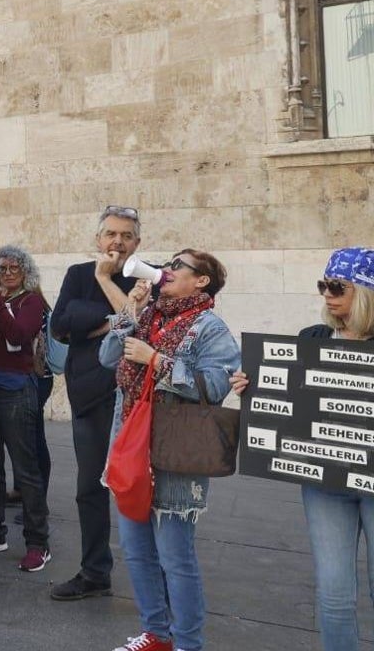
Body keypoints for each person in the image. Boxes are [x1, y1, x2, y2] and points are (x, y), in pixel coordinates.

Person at [230, 247, 374, 651]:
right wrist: (251, 384)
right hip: (325, 482)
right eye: (323, 285)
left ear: (366, 292)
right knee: (334, 595)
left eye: (337, 286)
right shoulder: (313, 338)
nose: (327, 294)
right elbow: (289, 395)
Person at [100, 249, 240, 651]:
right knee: (137, 550)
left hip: (176, 455)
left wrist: (157, 360)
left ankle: (188, 643)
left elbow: (215, 386)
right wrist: (130, 311)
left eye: (179, 266)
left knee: (176, 560)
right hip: (132, 446)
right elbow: (107, 357)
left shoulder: (210, 327)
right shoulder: (148, 316)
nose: (168, 270)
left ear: (202, 281)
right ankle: (156, 633)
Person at [48, 205, 141, 601]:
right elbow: (61, 324)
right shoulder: (77, 274)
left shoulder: (147, 275)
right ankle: (94, 571)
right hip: (89, 396)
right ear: (97, 239)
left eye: (126, 235)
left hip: (137, 401)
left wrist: (100, 309)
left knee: (140, 489)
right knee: (89, 487)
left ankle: (154, 577)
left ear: (137, 242)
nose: (117, 241)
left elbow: (143, 321)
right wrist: (113, 317)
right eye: (110, 234)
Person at [0, 244, 52, 573]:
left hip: (16, 390)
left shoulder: (31, 302)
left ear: (25, 272)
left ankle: (37, 542)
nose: (5, 274)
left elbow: (17, 336)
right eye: (0, 268)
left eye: (13, 268)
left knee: (25, 469)